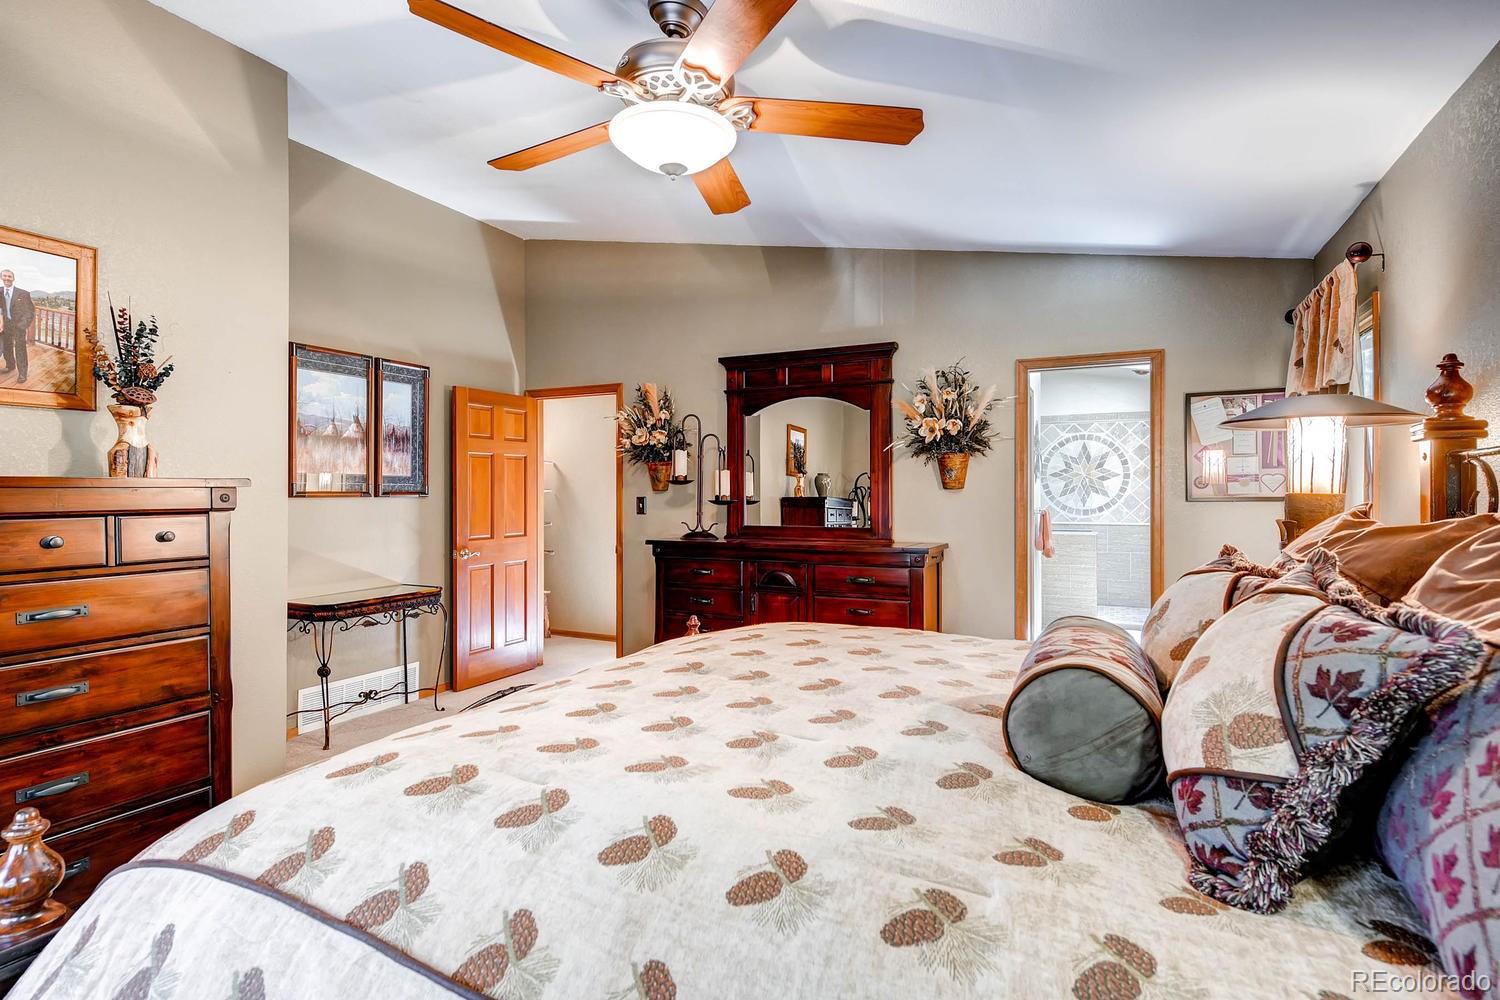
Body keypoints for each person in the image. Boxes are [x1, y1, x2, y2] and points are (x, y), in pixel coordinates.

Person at [1, 268, 36, 383]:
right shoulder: (0, 291)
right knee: (7, 347)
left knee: (20, 349)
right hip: (5, 326)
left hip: (18, 326)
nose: (7, 278)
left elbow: (30, 311)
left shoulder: (23, 293)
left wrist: (22, 325)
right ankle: (10, 365)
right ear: (1, 278)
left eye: (9, 276)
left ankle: (22, 373)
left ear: (13, 279)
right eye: (4, 276)